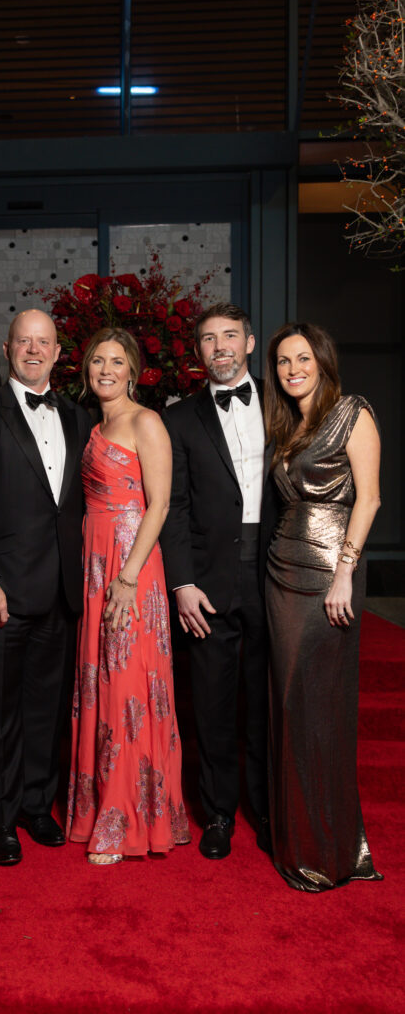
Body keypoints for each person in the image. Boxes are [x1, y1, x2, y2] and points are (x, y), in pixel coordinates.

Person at [0, 308, 91, 865]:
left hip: (61, 591)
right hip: (2, 592)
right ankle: (1, 817)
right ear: (6, 349)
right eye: (23, 342)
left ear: (57, 352)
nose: (34, 350)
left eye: (44, 342)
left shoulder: (79, 417)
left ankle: (37, 805)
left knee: (45, 711)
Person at [264, 322, 383, 892]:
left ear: (323, 360)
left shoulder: (352, 411)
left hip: (330, 575)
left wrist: (345, 573)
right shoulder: (288, 424)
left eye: (303, 358)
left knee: (318, 705)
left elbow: (370, 497)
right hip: (281, 572)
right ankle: (298, 841)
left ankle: (328, 851)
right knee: (289, 704)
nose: (292, 369)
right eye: (283, 361)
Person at [67, 328, 191, 864]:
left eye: (117, 361)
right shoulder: (94, 427)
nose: (106, 370)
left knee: (127, 686)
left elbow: (159, 505)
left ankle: (127, 820)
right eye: (98, 361)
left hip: (130, 566)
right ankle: (100, 808)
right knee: (99, 681)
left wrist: (128, 576)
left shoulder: (146, 422)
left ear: (133, 371)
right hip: (95, 564)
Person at [160, 302, 278, 860]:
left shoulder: (285, 404)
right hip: (207, 583)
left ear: (250, 343)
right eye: (208, 339)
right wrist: (181, 583)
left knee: (267, 700)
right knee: (211, 703)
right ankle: (218, 813)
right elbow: (174, 506)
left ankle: (268, 809)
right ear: (198, 351)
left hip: (276, 573)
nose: (220, 347)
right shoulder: (179, 418)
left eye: (230, 335)